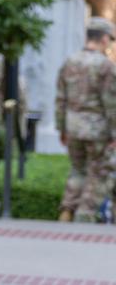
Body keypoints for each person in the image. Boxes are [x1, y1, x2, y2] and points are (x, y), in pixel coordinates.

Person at [56, 16, 116, 223]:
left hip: (72, 127)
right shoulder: (105, 66)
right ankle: (85, 216)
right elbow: (111, 103)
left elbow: (60, 99)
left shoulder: (70, 61)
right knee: (97, 172)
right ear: (105, 38)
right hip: (97, 129)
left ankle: (67, 211)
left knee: (77, 170)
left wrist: (61, 128)